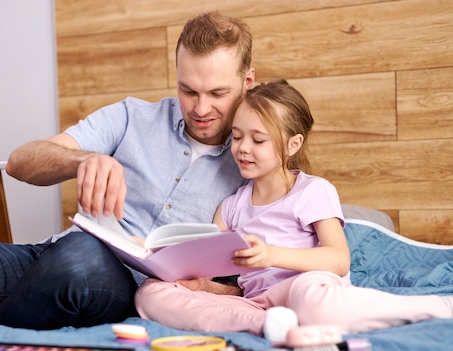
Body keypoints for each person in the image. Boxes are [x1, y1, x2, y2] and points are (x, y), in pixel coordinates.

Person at [0, 11, 255, 330]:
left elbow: (270, 279)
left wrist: (207, 287)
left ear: (247, 82)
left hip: (124, 288)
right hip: (53, 255)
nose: (201, 108)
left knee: (81, 259)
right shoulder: (132, 116)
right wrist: (84, 160)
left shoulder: (260, 161)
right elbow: (21, 161)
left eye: (217, 93)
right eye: (188, 91)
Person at [135, 79, 453, 337]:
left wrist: (271, 255)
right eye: (236, 137)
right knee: (150, 295)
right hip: (258, 304)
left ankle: (435, 306)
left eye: (258, 140)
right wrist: (193, 280)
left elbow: (338, 260)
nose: (243, 148)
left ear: (292, 144)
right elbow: (213, 271)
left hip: (308, 286)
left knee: (314, 305)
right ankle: (269, 327)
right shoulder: (230, 207)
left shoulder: (313, 191)